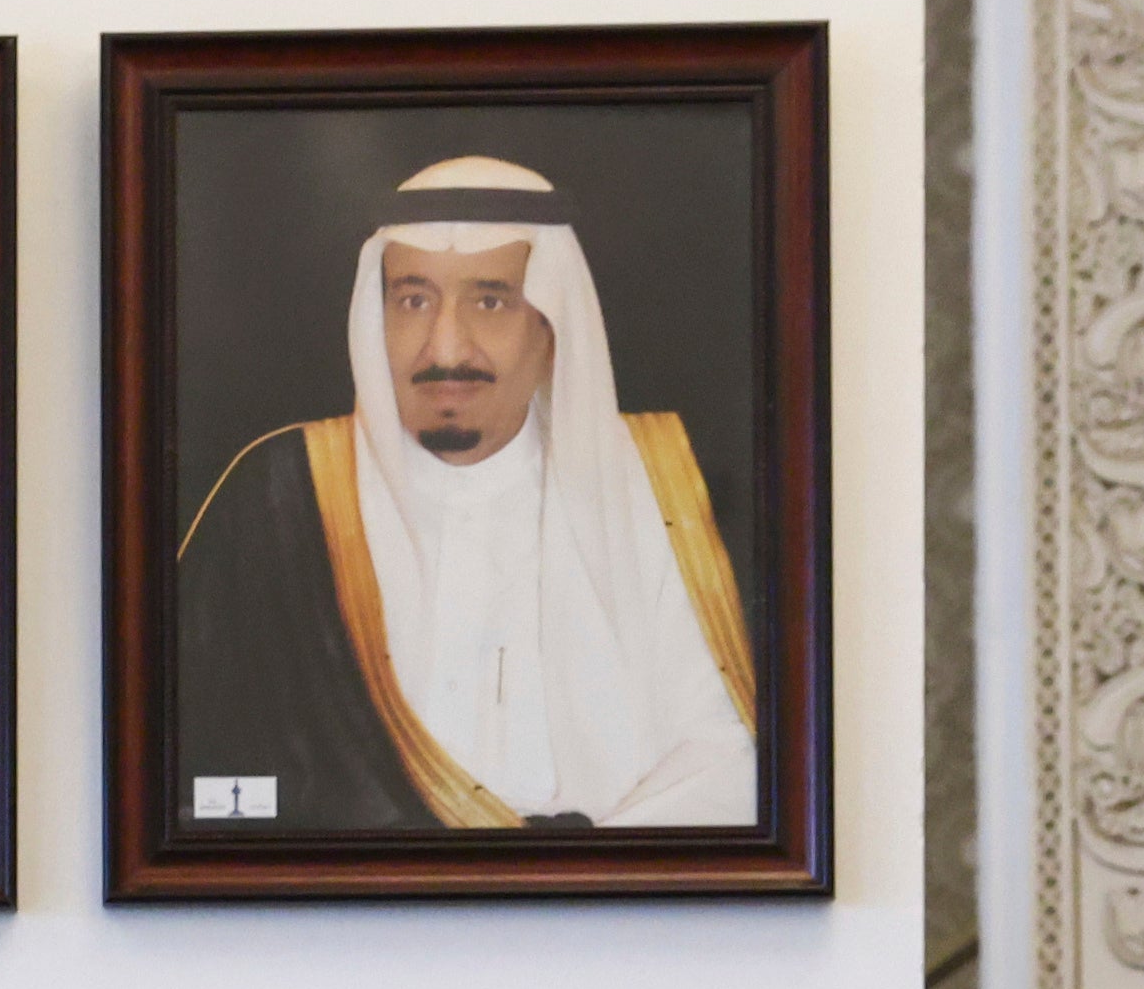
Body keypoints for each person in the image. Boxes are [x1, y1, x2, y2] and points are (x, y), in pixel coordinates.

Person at [169, 154, 765, 833]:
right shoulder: (282, 499)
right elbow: (192, 787)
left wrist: (566, 878)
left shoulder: (652, 491)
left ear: (549, 328)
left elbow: (731, 764)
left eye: (490, 301)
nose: (445, 346)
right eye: (414, 301)